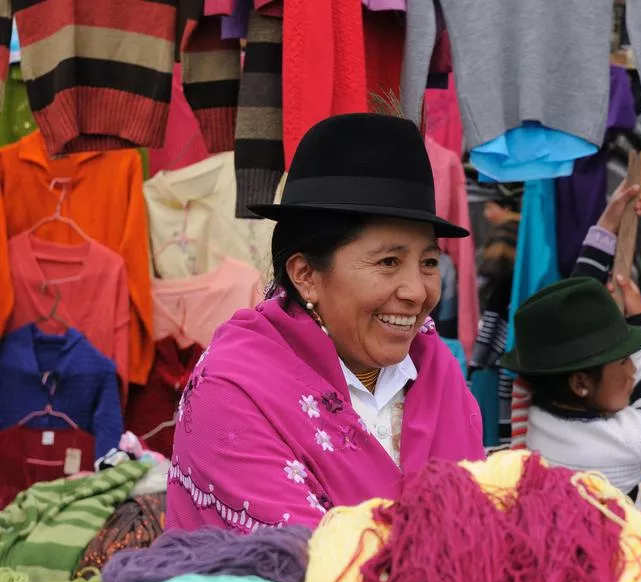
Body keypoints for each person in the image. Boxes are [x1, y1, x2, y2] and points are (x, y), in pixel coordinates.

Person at [165, 114, 485, 531]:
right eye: (389, 262)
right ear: (307, 276)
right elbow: (309, 565)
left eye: (428, 263)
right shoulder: (234, 392)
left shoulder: (436, 372)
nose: (417, 291)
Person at [503, 182, 641, 498]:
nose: (633, 370)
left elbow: (569, 315)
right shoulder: (626, 444)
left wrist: (607, 225)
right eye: (624, 360)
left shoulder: (531, 398)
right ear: (581, 383)